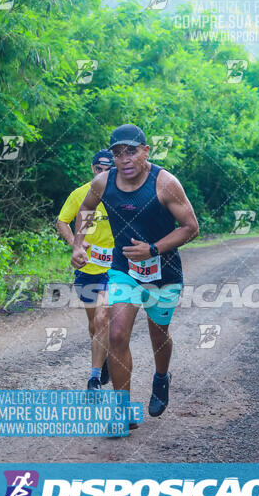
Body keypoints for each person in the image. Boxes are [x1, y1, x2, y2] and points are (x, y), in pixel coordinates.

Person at [71, 124, 199, 419]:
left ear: (145, 151)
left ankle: (161, 377)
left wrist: (153, 249)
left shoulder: (165, 184)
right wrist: (79, 244)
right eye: (117, 153)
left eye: (131, 151)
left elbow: (191, 228)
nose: (124, 159)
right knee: (116, 334)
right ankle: (121, 411)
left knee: (159, 334)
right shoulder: (103, 182)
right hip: (122, 269)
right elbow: (86, 209)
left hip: (163, 272)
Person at [57, 149, 114, 390]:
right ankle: (105, 358)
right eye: (99, 169)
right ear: (93, 169)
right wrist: (76, 244)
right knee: (94, 324)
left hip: (115, 268)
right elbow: (62, 221)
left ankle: (93, 378)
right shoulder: (80, 194)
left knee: (103, 317)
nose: (102, 174)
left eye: (108, 170)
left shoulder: (120, 196)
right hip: (87, 267)